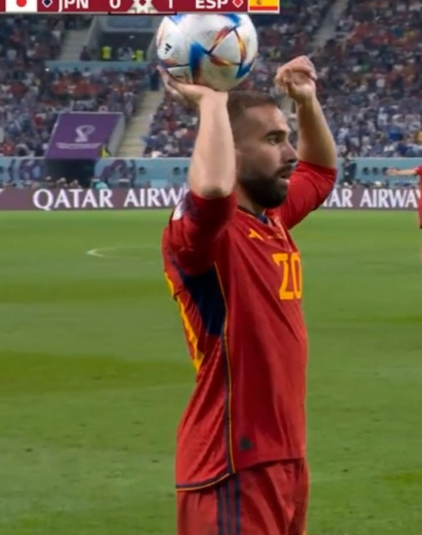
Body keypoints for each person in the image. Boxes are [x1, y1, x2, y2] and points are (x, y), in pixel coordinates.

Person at [160, 56, 337, 535]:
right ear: (232, 150)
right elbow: (214, 188)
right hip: (231, 465)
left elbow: (320, 173)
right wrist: (211, 105)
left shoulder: (270, 218)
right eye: (274, 140)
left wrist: (307, 103)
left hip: (284, 457)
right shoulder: (204, 236)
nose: (291, 152)